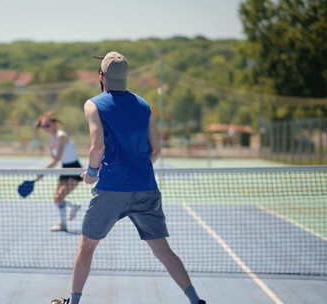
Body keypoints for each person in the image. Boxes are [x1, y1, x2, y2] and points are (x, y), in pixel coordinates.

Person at [55, 52, 206, 304]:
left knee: (87, 248)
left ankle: (74, 301)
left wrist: (91, 173)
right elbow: (155, 150)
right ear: (126, 76)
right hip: (145, 187)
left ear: (101, 76)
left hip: (112, 189)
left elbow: (97, 147)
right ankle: (195, 300)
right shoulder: (144, 105)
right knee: (163, 250)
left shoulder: (93, 104)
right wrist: (136, 168)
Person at [36, 112, 83, 232]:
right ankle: (64, 222)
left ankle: (73, 207)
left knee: (60, 196)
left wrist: (43, 171)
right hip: (64, 168)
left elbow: (57, 158)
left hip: (74, 169)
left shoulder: (61, 136)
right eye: (43, 126)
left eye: (47, 125)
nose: (45, 128)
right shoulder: (52, 140)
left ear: (54, 123)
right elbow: (55, 158)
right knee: (57, 198)